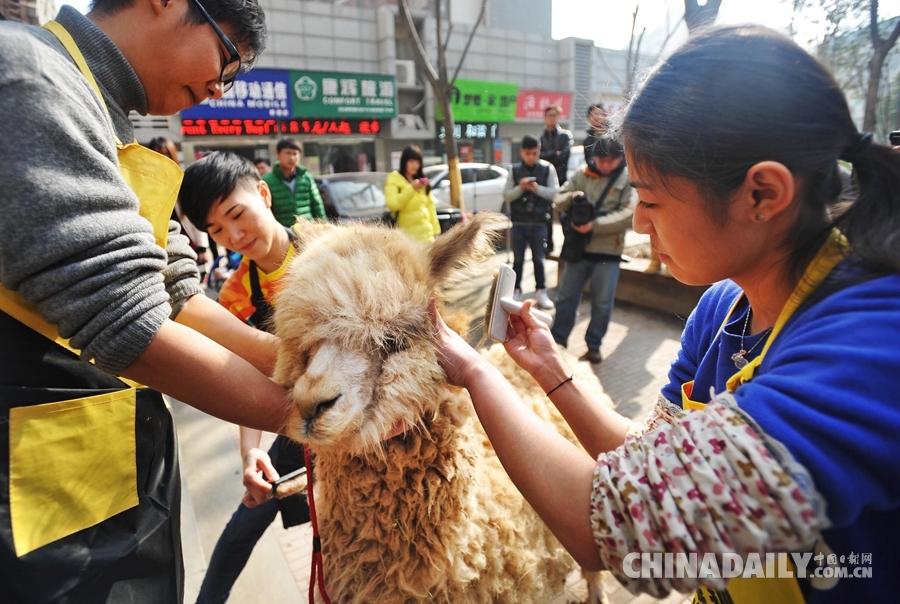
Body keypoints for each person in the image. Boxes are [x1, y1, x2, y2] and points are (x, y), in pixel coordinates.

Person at [431, 25, 900, 604]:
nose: (641, 225)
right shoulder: (721, 307)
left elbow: (615, 530)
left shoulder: (874, 344)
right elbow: (646, 457)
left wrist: (476, 372)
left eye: (651, 201)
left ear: (762, 194)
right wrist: (551, 372)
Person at [0, 2, 294, 601]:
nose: (217, 90)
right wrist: (325, 415)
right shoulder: (28, 74)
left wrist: (300, 364)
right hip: (44, 503)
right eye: (227, 61)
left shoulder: (113, 124)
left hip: (117, 475)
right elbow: (125, 318)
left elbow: (178, 294)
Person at [178, 152, 309, 604]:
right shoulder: (235, 296)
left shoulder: (329, 249)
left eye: (237, 215)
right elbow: (249, 379)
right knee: (247, 521)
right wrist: (250, 452)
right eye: (216, 231)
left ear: (264, 194)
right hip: (302, 421)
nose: (234, 236)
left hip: (374, 413)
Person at [552, 137, 634, 364]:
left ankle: (594, 346)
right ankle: (557, 343)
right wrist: (572, 196)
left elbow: (629, 213)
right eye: (601, 160)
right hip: (578, 250)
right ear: (593, 158)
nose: (606, 165)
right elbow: (558, 198)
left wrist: (594, 225)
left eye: (612, 160)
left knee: (602, 303)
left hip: (608, 253)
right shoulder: (582, 174)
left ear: (619, 159)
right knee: (566, 298)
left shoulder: (627, 178)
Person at [503, 134, 559, 309]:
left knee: (539, 259)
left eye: (535, 153)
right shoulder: (514, 170)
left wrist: (537, 189)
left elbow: (554, 193)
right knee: (518, 259)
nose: (532, 157)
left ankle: (541, 291)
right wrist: (521, 188)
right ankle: (516, 290)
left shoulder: (547, 169)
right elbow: (506, 195)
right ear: (522, 152)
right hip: (519, 222)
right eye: (528, 153)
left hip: (540, 221)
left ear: (539, 151)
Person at [148, 136, 214, 281]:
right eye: (156, 154)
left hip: (185, 236)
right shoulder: (147, 182)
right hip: (160, 238)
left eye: (165, 154)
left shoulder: (183, 180)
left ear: (172, 154)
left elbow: (195, 213)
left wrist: (202, 247)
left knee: (190, 279)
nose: (161, 159)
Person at [262, 137, 325, 227]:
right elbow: (264, 211)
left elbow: (317, 205)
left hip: (307, 230)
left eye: (295, 154)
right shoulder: (267, 181)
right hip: (283, 232)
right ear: (278, 154)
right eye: (287, 153)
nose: (291, 157)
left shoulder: (306, 178)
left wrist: (324, 226)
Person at [384, 144, 441, 243]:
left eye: (417, 162)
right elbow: (392, 204)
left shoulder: (421, 180)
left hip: (427, 237)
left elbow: (430, 207)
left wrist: (436, 232)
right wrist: (412, 188)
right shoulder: (394, 178)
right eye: (411, 161)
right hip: (407, 238)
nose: (414, 165)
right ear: (404, 161)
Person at [539, 104, 574, 187]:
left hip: (561, 178)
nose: (552, 118)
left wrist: (547, 155)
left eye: (554, 115)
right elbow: (538, 156)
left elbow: (564, 156)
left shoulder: (565, 135)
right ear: (544, 118)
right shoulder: (540, 138)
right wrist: (554, 153)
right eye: (549, 115)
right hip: (544, 178)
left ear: (558, 117)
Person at [581, 102, 607, 166]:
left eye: (598, 114)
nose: (595, 117)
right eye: (592, 115)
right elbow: (588, 160)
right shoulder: (588, 140)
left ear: (605, 115)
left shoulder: (615, 136)